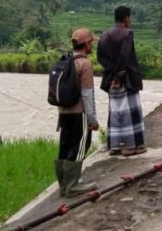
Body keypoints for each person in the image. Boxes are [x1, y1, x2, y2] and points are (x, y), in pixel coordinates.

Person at [97, 5, 146, 156]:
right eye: (129, 17)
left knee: (115, 111)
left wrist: (112, 73)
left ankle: (114, 146)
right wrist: (118, 75)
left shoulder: (105, 34)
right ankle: (129, 147)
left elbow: (100, 57)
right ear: (126, 18)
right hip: (126, 78)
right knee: (129, 112)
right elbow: (125, 56)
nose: (130, 20)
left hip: (110, 79)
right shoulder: (127, 33)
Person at [55, 28, 99, 197]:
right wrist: (92, 119)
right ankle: (73, 186)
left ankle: (63, 185)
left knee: (65, 146)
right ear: (86, 44)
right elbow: (87, 94)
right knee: (80, 147)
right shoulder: (85, 64)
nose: (92, 45)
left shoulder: (66, 61)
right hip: (79, 113)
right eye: (91, 42)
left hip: (63, 112)